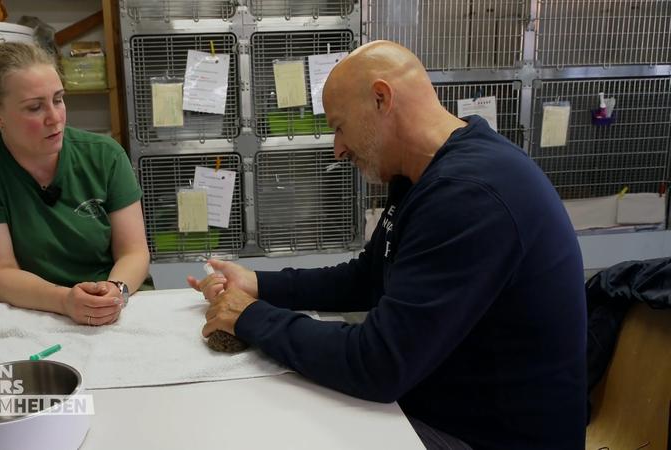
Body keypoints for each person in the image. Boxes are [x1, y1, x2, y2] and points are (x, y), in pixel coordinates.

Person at [188, 41, 587, 449]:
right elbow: (368, 277)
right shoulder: (424, 175)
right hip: (439, 404)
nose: (338, 149)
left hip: (485, 438)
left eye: (339, 126)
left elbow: (378, 364)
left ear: (381, 99)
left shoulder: (470, 194)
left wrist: (250, 317)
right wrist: (258, 284)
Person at [0, 39, 150, 326]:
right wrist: (65, 300)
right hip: (31, 312)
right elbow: (0, 272)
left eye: (58, 99)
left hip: (117, 304)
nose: (55, 118)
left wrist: (115, 291)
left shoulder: (105, 155)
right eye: (34, 107)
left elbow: (134, 252)